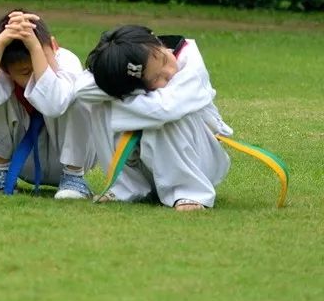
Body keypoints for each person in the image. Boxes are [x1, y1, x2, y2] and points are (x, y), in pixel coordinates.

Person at [84, 25, 232, 211]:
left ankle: (189, 193)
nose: (170, 72)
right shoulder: (124, 64)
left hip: (200, 158)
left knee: (162, 118)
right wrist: (120, 90)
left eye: (164, 59)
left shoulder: (189, 58)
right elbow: (79, 90)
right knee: (101, 106)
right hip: (149, 167)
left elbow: (166, 108)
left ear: (158, 41)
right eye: (156, 79)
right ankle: (127, 188)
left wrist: (120, 95)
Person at [0, 10, 95, 199]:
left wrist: (36, 48)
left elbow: (55, 103)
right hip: (21, 162)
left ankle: (75, 178)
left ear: (54, 46)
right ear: (5, 68)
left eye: (41, 57)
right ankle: (0, 173)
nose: (34, 77)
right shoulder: (2, 71)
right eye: (24, 72)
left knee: (77, 97)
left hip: (66, 160)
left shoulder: (67, 60)